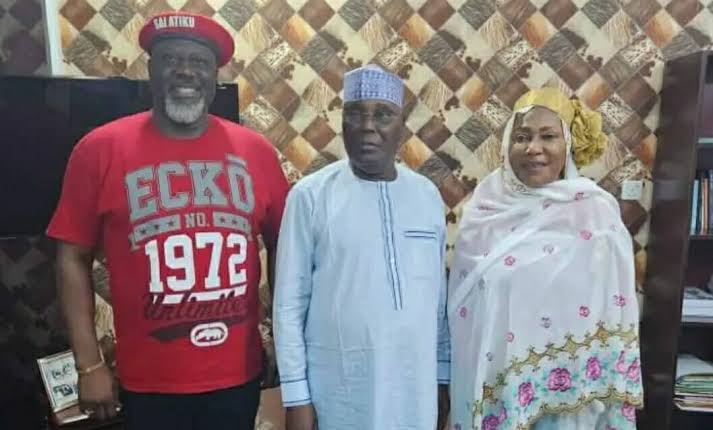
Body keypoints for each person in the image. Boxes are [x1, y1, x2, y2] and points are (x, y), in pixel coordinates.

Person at [47, 11, 289, 430]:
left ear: (214, 75)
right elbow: (71, 256)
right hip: (148, 382)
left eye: (199, 62)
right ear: (150, 70)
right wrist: (89, 365)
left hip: (238, 375)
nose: (185, 71)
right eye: (170, 59)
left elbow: (287, 247)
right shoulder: (99, 150)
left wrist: (285, 342)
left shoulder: (257, 152)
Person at [448, 87, 643, 430]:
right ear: (507, 144)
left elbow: (614, 311)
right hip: (497, 392)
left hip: (573, 402)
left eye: (548, 136)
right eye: (521, 137)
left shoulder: (597, 215)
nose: (533, 148)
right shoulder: (485, 209)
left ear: (568, 145)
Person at [273, 64, 450, 430]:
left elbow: (439, 300)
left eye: (383, 114)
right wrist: (296, 397)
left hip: (414, 388)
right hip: (339, 389)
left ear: (402, 126)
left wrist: (442, 376)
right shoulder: (310, 196)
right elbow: (288, 305)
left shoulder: (427, 196)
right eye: (355, 114)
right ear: (342, 123)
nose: (368, 126)